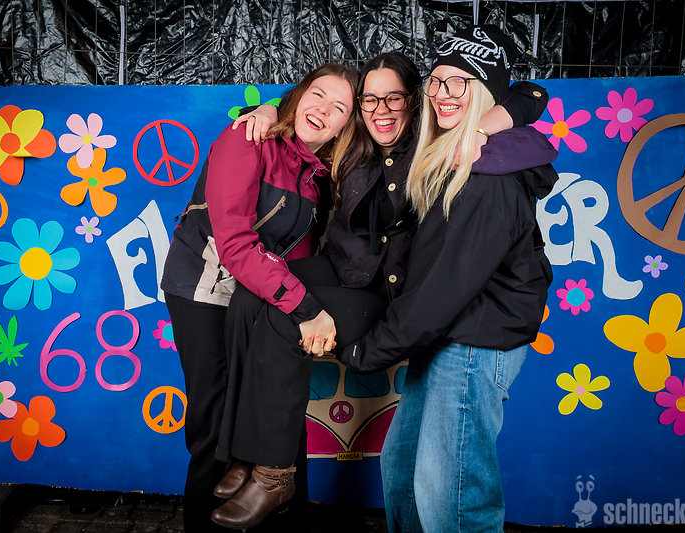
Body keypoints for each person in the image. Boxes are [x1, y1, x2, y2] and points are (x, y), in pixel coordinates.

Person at [211, 49, 548, 529]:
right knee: (251, 298)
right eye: (369, 100)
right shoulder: (349, 141)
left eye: (394, 98)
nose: (381, 109)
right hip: (359, 281)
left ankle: (274, 472)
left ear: (413, 101)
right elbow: (311, 108)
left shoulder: (444, 143)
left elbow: (531, 99)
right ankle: (249, 452)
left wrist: (481, 130)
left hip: (409, 304)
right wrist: (265, 110)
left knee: (446, 487)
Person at [337, 25, 559, 532]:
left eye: (460, 83)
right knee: (403, 475)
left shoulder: (486, 179)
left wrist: (367, 351)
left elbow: (440, 291)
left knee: (454, 500)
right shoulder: (446, 148)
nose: (443, 93)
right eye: (436, 81)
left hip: (474, 344)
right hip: (444, 338)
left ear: (482, 93)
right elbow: (527, 96)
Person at [159, 62, 358, 532]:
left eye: (339, 107)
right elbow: (235, 244)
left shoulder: (320, 175)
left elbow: (300, 260)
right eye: (318, 94)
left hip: (262, 300)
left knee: (278, 416)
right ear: (298, 94)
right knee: (214, 425)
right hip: (205, 289)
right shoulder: (247, 137)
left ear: (346, 127)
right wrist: (306, 308)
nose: (323, 109)